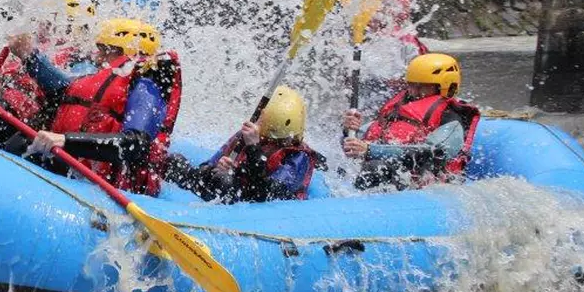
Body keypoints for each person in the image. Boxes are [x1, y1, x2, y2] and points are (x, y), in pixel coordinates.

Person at [8, 17, 182, 196]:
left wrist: (66, 141)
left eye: (103, 50)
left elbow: (136, 143)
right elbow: (66, 92)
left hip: (110, 189)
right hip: (75, 172)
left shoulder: (147, 85)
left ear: (123, 51)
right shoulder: (111, 77)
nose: (97, 57)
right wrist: (29, 55)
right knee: (18, 142)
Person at [0, 0, 99, 145]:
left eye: (50, 21)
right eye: (44, 20)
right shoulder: (38, 43)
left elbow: (70, 88)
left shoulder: (83, 60)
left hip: (20, 124)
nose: (42, 25)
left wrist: (29, 56)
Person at [341, 53, 480, 190]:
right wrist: (350, 131)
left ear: (445, 86)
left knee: (377, 168)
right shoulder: (398, 109)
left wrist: (371, 150)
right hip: (389, 173)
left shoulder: (451, 118)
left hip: (422, 182)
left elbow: (432, 153)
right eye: (411, 85)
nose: (414, 91)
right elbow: (356, 144)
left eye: (422, 86)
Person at [164, 86, 324, 203]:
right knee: (175, 162)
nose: (271, 146)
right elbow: (204, 168)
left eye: (280, 142)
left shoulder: (298, 158)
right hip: (236, 189)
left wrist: (254, 149)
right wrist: (215, 168)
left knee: (226, 183)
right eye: (267, 139)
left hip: (258, 206)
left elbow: (265, 194)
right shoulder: (246, 136)